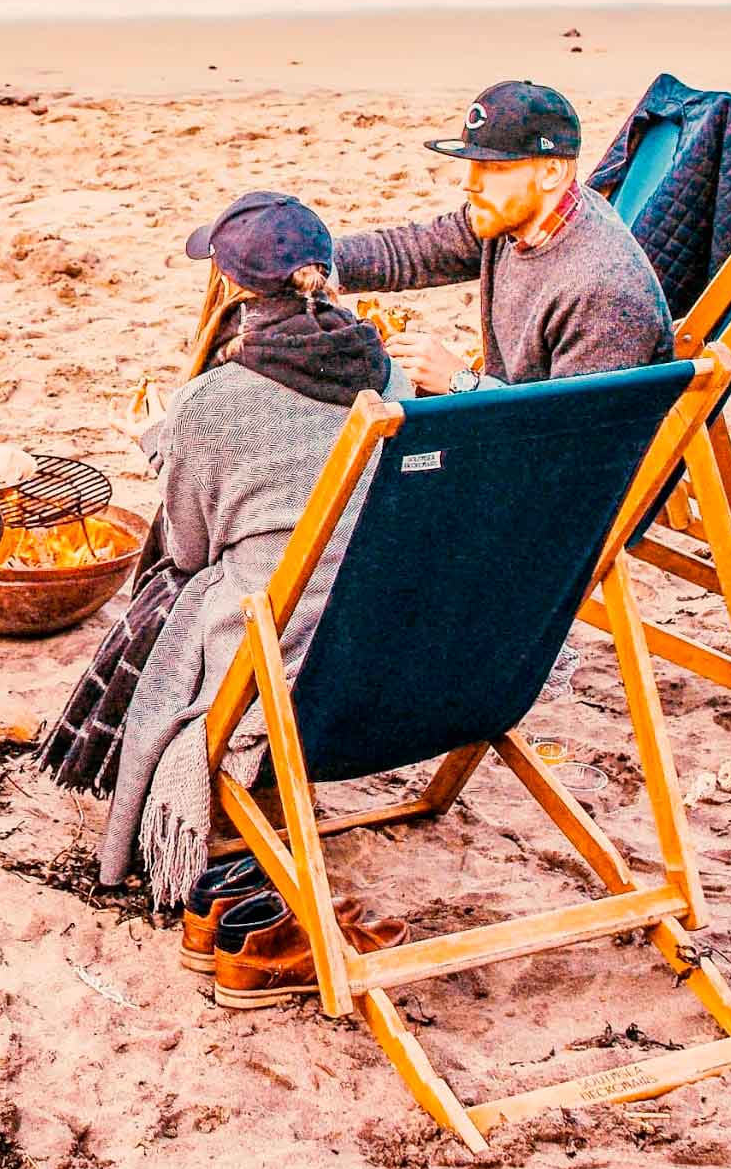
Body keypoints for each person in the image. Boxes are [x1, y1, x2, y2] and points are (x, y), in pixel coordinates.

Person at [44, 196, 411, 960]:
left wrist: (166, 442)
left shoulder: (216, 402)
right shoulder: (392, 377)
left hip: (280, 673)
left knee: (173, 594)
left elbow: (186, 550)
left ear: (228, 286)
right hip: (386, 661)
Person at [309, 79, 673, 394]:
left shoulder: (602, 290)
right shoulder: (513, 218)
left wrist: (459, 381)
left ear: (550, 172)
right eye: (469, 163)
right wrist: (305, 260)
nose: (468, 182)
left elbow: (573, 438)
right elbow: (408, 252)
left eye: (490, 167)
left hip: (539, 458)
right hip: (510, 423)